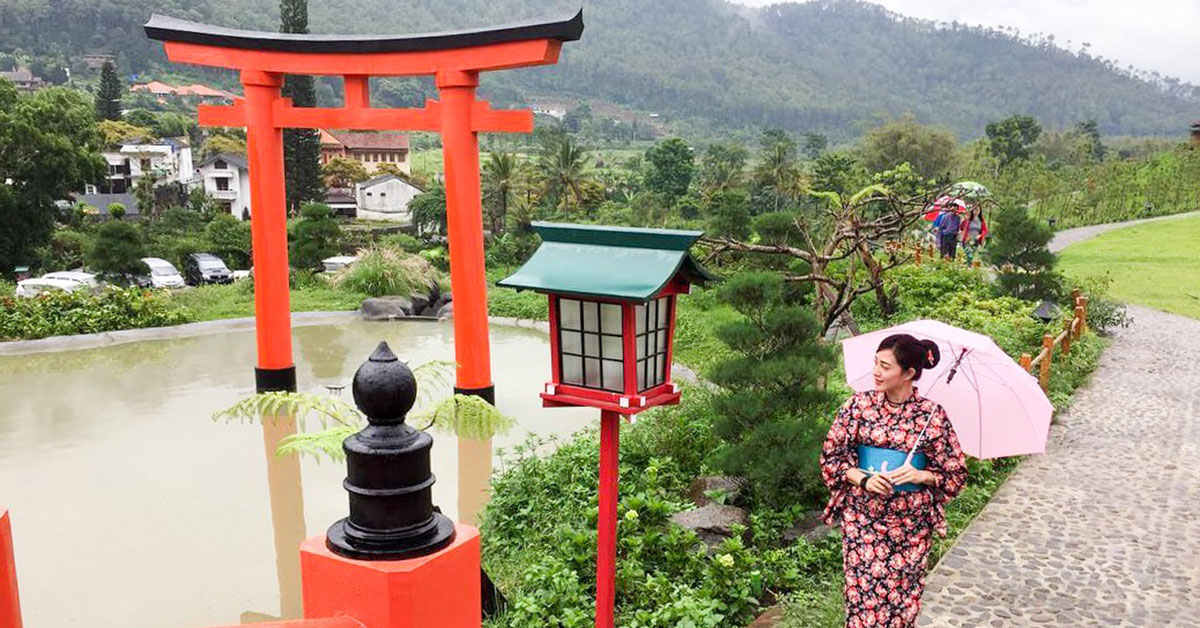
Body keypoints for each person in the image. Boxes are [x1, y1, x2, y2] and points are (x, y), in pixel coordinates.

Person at [819, 334, 968, 628]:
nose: (876, 371)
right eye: (875, 362)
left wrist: (921, 475)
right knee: (863, 606)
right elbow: (831, 459)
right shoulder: (857, 408)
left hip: (910, 529)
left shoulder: (932, 416)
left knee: (902, 608)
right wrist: (862, 479)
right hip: (864, 524)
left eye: (885, 366)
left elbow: (956, 475)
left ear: (910, 373)